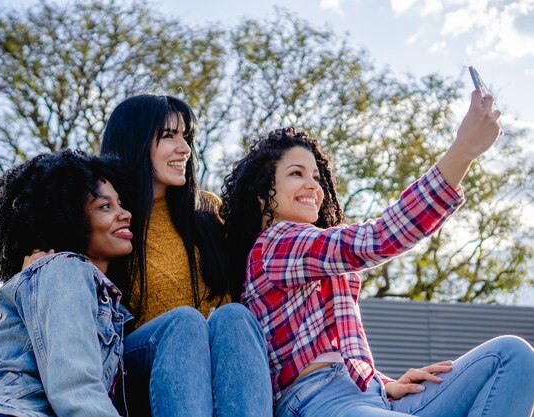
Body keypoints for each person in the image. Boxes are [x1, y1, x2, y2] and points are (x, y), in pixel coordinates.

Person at [220, 91, 534, 417]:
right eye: (296, 173)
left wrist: (381, 382)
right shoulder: (275, 246)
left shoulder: (317, 260)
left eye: (316, 176)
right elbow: (381, 238)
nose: (313, 185)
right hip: (316, 402)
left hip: (372, 397)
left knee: (511, 356)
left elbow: (335, 348)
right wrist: (463, 150)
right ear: (261, 195)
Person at [0, 150, 134, 417]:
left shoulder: (64, 282)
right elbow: (76, 388)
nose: (125, 213)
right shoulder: (65, 269)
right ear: (67, 217)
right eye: (105, 206)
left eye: (120, 203)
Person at [99, 93, 272, 416]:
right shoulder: (111, 221)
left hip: (219, 379)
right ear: (134, 142)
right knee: (183, 322)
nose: (185, 148)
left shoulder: (208, 211)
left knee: (235, 316)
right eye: (168, 136)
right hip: (140, 373)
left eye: (186, 136)